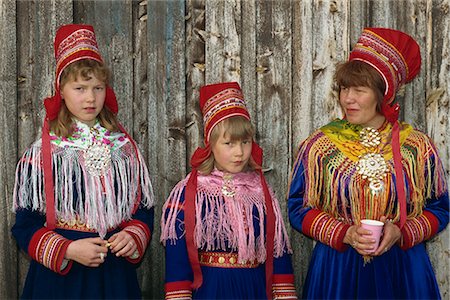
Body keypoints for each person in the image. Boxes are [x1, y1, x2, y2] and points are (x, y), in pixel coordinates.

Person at [288, 27, 449, 299]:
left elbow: (440, 208)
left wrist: (402, 231)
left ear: (382, 94)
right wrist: (345, 233)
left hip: (402, 270)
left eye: (359, 90)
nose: (347, 98)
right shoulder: (320, 147)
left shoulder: (416, 147)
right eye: (344, 88)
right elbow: (297, 208)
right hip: (338, 271)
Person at [11, 24, 155, 299]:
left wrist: (133, 235)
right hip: (61, 281)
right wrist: (67, 250)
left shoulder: (124, 150)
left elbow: (143, 209)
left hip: (113, 277)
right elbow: (24, 225)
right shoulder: (43, 155)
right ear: (61, 90)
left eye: (97, 87)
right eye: (80, 87)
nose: (90, 98)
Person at [160, 82, 297, 299]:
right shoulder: (190, 193)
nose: (240, 152)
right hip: (211, 290)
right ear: (210, 144)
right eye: (229, 144)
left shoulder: (260, 192)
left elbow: (277, 252)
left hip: (254, 289)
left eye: (245, 142)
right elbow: (177, 256)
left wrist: (284, 295)